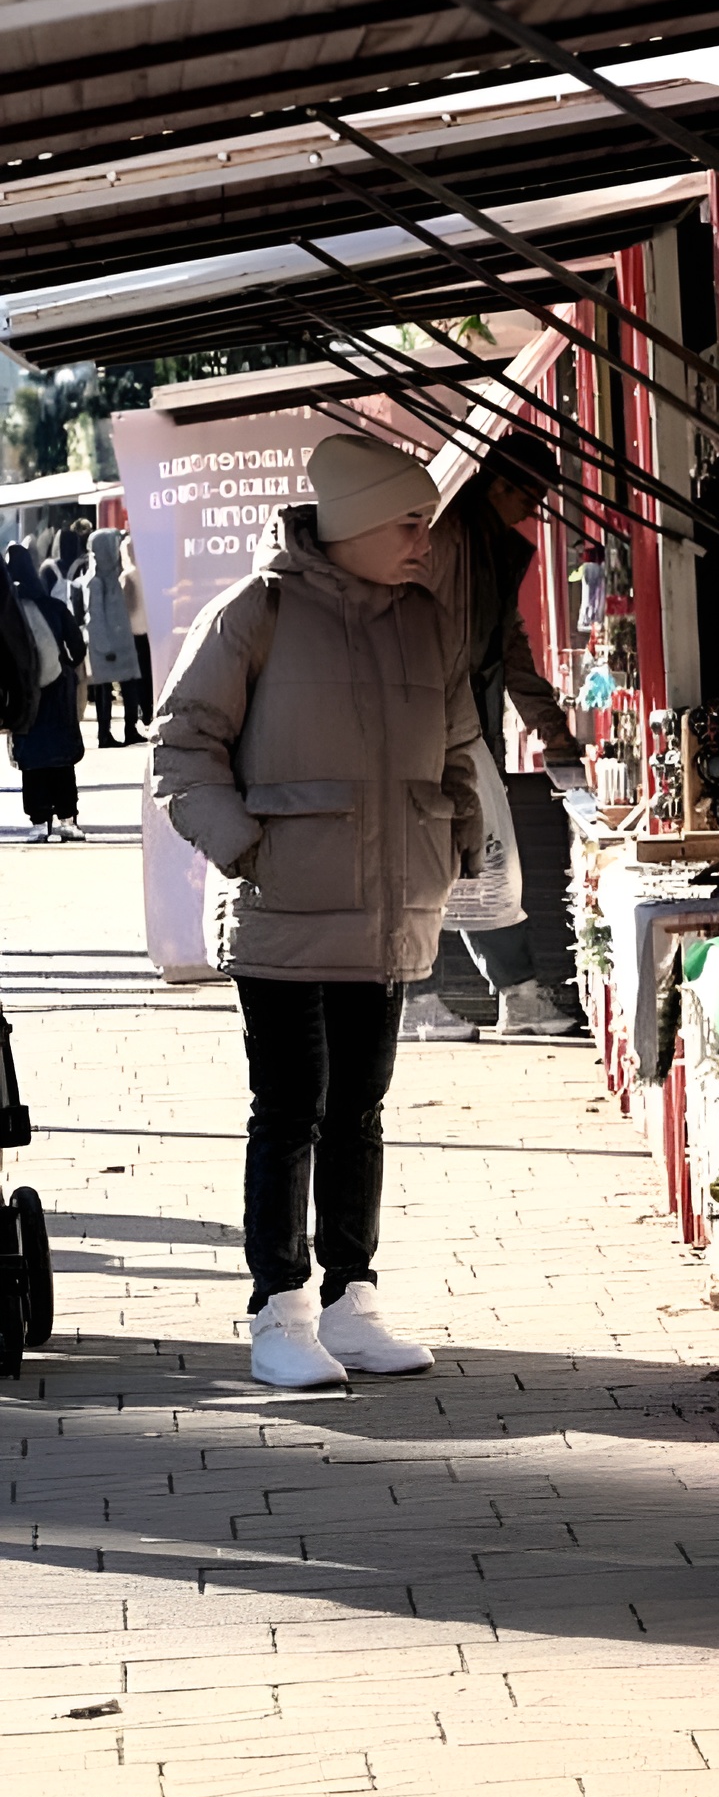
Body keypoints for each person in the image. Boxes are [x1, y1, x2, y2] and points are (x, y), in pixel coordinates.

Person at [152, 433, 484, 1391]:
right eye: (408, 522)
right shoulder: (254, 611)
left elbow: (458, 744)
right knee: (291, 1107)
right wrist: (249, 848)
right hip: (286, 910)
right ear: (351, 526)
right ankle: (279, 1308)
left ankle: (353, 1297)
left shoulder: (425, 620)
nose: (426, 539)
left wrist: (459, 832)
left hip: (387, 911)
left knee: (362, 1111)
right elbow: (182, 745)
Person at [435, 427, 588, 1038]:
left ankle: (516, 993)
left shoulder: (487, 541)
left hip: (459, 716)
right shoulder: (451, 538)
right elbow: (451, 643)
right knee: (443, 854)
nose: (535, 509)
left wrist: (550, 726)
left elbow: (508, 642)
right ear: (498, 484)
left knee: (481, 852)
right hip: (440, 720)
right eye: (529, 496)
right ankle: (424, 1000)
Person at [4, 541, 87, 841]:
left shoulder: (7, 615)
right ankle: (68, 817)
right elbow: (77, 648)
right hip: (58, 693)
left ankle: (39, 821)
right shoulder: (54, 607)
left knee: (33, 759)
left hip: (24, 696)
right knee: (61, 757)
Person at [80, 527, 143, 746]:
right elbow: (95, 618)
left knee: (129, 685)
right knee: (104, 688)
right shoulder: (96, 583)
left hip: (121, 644)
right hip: (106, 647)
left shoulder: (112, 578)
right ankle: (104, 734)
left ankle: (130, 728)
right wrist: (105, 648)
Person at [119, 534, 154, 727]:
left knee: (137, 675)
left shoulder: (126, 576)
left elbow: (125, 607)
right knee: (149, 672)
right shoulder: (148, 573)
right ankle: (149, 709)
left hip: (132, 632)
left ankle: (142, 711)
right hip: (149, 631)